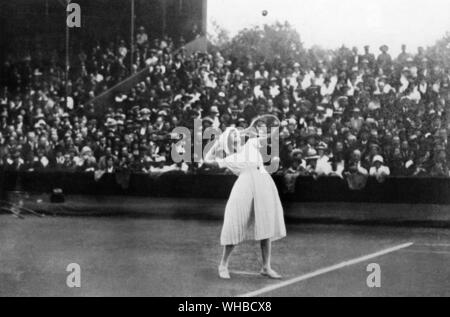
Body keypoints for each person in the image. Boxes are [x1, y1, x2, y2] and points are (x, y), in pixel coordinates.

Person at [202, 119, 286, 280]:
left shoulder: (251, 144)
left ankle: (266, 267)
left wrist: (277, 125)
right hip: (244, 185)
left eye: (237, 134)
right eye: (233, 135)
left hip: (263, 183)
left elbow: (268, 136)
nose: (237, 136)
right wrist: (216, 144)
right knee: (235, 223)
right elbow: (206, 160)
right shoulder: (229, 158)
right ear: (228, 141)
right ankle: (223, 264)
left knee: (266, 224)